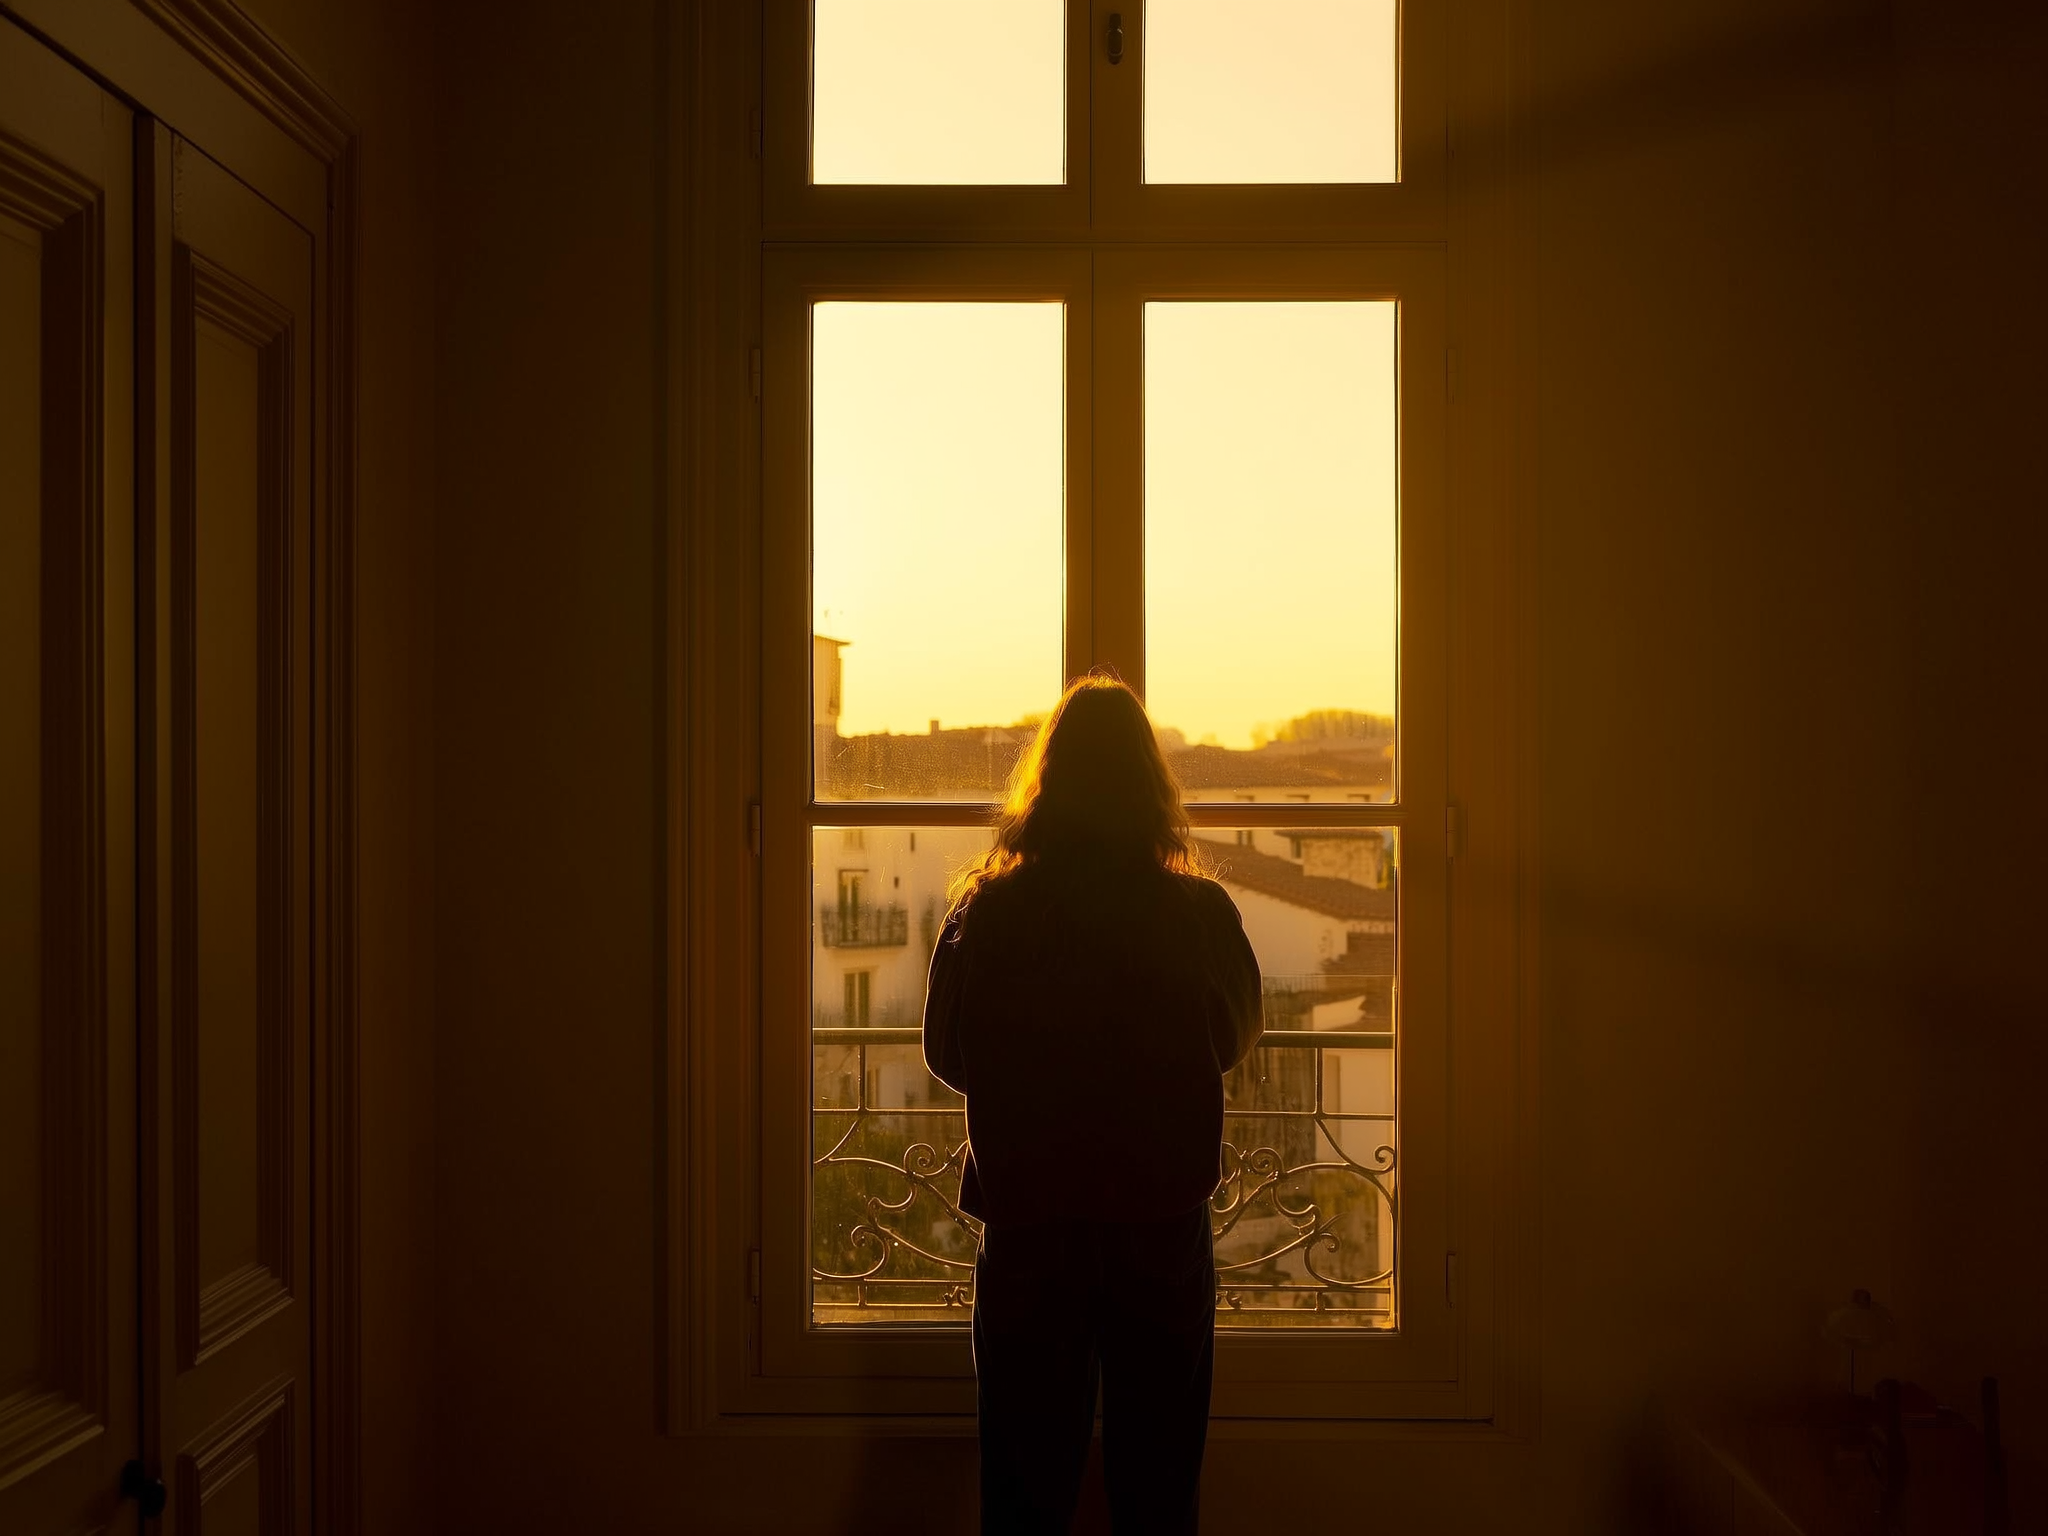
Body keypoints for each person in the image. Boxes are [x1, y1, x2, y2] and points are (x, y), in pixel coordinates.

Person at [924, 673, 1264, 1536]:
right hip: (1158, 1215)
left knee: (1024, 1477)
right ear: (1152, 787)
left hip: (1030, 1215)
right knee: (1159, 1469)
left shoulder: (986, 914)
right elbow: (1232, 1040)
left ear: (1047, 784)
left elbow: (946, 1054)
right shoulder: (1197, 911)